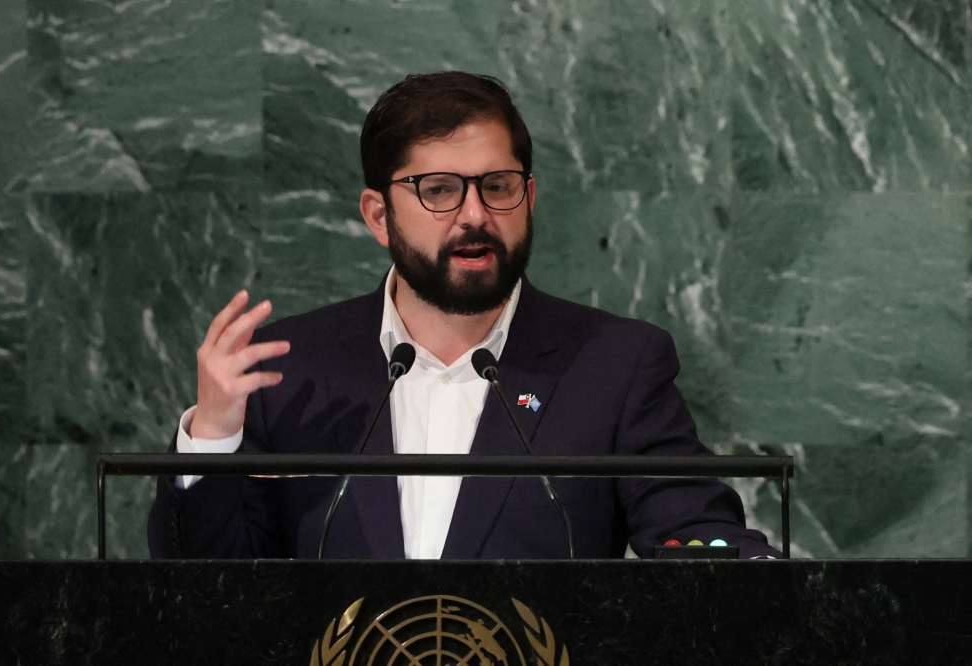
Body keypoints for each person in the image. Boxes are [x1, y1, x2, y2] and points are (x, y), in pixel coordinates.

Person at [147, 71, 779, 560]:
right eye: (440, 190)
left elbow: (697, 535)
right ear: (378, 216)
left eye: (497, 186)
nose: (474, 214)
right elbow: (205, 592)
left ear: (528, 198)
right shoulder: (286, 370)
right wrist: (212, 439)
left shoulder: (615, 365)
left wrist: (743, 571)